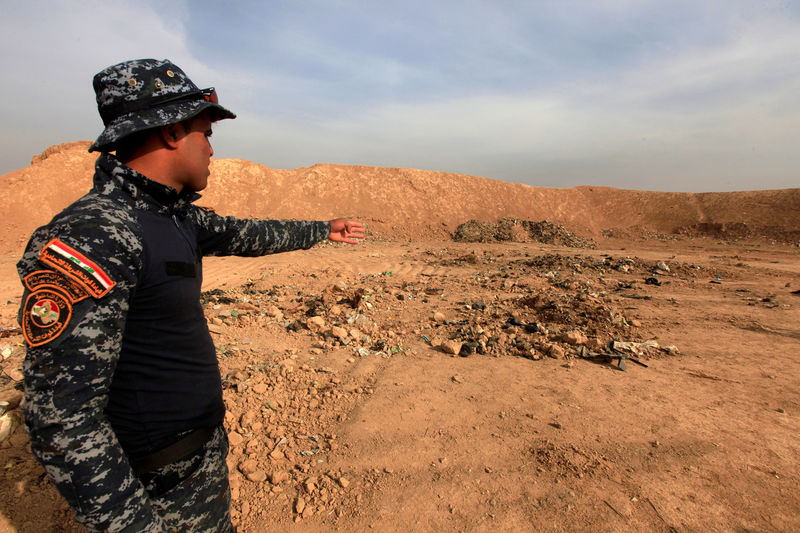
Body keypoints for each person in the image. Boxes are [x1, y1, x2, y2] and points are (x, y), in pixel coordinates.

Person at [17, 58, 365, 532]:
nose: (211, 149)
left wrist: (324, 229)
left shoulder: (172, 216)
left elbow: (246, 233)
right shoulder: (96, 233)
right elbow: (61, 416)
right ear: (171, 132)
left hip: (193, 466)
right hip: (150, 484)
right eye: (206, 133)